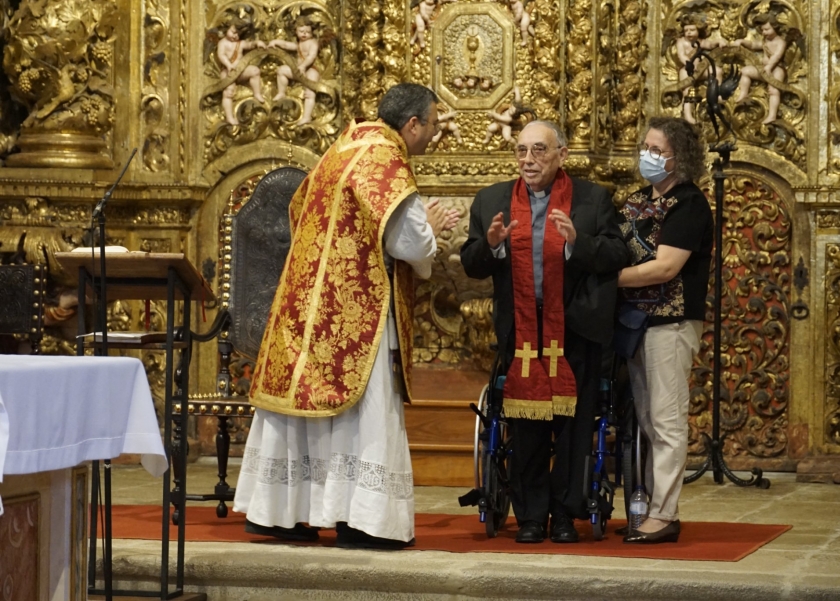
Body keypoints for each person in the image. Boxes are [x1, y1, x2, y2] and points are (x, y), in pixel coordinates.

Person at [233, 83, 460, 550]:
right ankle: (362, 520)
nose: (434, 135)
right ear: (412, 124)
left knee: (302, 408)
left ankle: (281, 513)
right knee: (364, 413)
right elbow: (408, 244)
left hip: (306, 304)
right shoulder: (386, 160)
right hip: (355, 309)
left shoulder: (341, 148)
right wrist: (432, 230)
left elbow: (300, 211)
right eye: (433, 125)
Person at [461, 120, 629, 544]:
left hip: (575, 331)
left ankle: (565, 515)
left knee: (572, 427)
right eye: (522, 150)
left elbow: (617, 252)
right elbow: (472, 263)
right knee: (526, 426)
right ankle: (532, 516)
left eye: (539, 150)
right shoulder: (491, 200)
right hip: (521, 331)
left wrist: (576, 243)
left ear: (562, 155)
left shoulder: (592, 198)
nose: (528, 159)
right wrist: (492, 245)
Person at [616, 116, 713, 544]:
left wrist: (607, 279)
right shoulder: (637, 200)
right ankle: (651, 507)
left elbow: (666, 267)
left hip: (670, 322)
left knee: (667, 419)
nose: (648, 156)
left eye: (657, 151)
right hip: (634, 321)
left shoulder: (689, 204)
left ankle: (665, 514)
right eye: (646, 147)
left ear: (680, 158)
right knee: (647, 419)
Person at [730, 13, 787, 124]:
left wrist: (769, 67)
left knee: (774, 91)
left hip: (776, 70)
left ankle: (772, 115)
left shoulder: (781, 42)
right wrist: (742, 42)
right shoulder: (765, 41)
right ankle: (743, 94)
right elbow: (753, 45)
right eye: (762, 30)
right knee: (745, 71)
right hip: (764, 69)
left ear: (775, 27)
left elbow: (776, 56)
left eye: (767, 29)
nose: (764, 32)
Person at [674, 13, 727, 124]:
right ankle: (688, 115)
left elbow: (710, 45)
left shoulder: (700, 41)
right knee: (687, 91)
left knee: (717, 71)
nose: (689, 32)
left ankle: (718, 94)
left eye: (692, 30)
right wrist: (688, 63)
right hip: (687, 70)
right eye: (686, 30)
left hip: (700, 70)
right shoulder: (681, 42)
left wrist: (718, 42)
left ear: (698, 30)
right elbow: (681, 55)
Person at [268, 18, 322, 124]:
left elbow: (311, 57)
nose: (304, 34)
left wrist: (303, 66)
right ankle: (281, 92)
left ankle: (306, 116)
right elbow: (286, 45)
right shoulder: (299, 44)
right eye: (301, 31)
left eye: (308, 32)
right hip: (299, 70)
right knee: (281, 71)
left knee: (310, 93)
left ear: (312, 32)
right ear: (296, 31)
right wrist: (275, 42)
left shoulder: (313, 43)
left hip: (311, 70)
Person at [217, 22, 267, 126]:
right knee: (228, 92)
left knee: (255, 71)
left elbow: (250, 45)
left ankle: (257, 93)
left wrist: (257, 43)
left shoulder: (240, 43)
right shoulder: (222, 43)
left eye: (238, 34)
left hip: (240, 71)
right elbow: (221, 55)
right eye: (233, 32)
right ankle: (229, 117)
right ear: (227, 29)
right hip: (227, 72)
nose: (235, 36)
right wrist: (228, 65)